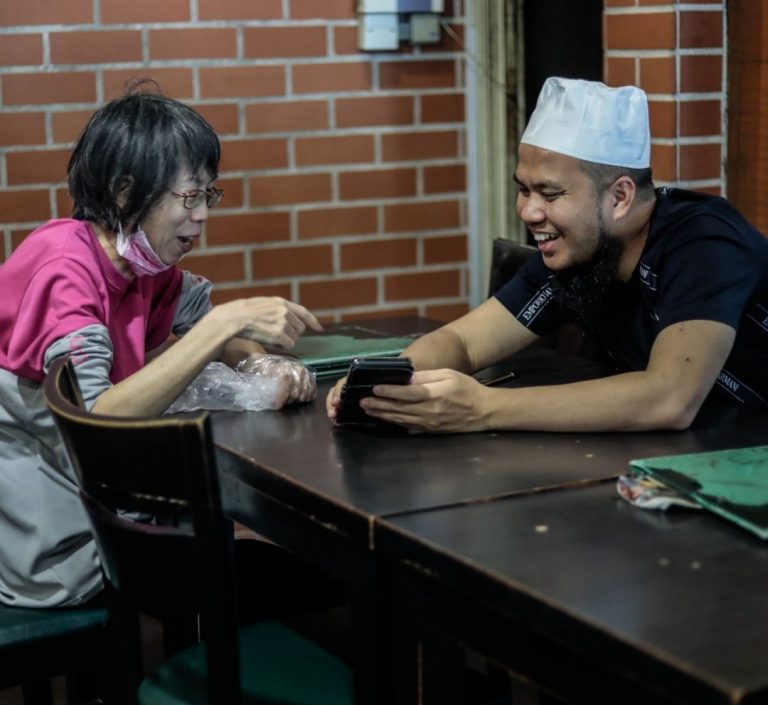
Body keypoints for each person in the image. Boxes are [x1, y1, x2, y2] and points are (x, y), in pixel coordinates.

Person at [0, 84, 323, 607]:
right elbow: (97, 423)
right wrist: (226, 325)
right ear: (125, 193)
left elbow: (204, 326)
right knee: (290, 569)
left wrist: (260, 363)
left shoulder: (139, 261)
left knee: (271, 559)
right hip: (59, 551)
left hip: (102, 505)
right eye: (189, 196)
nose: (203, 215)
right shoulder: (65, 269)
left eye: (208, 195)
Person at [327, 76, 768, 433]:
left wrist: (481, 408)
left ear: (619, 197)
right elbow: (464, 342)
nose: (529, 212)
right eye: (524, 190)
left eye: (550, 194)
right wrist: (386, 383)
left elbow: (669, 398)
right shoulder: (578, 251)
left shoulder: (704, 242)